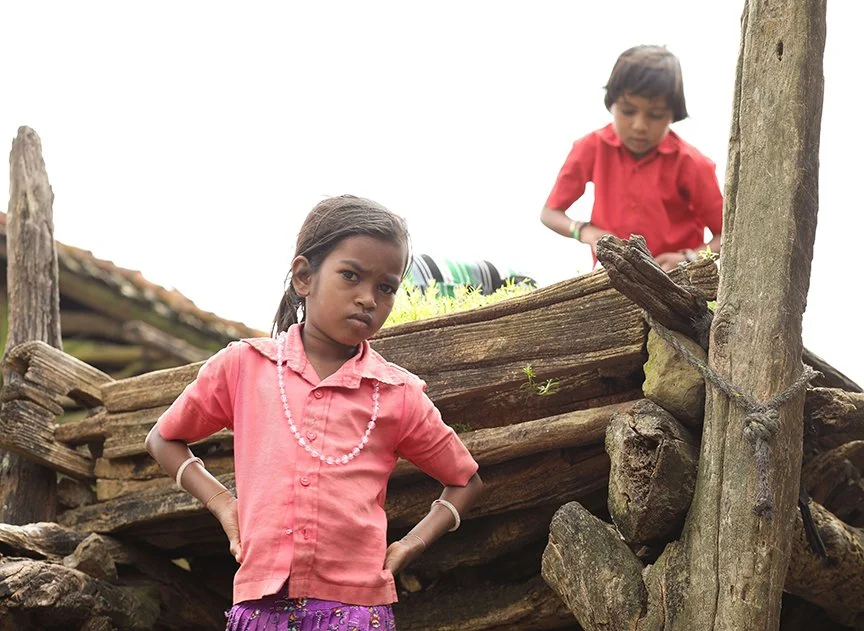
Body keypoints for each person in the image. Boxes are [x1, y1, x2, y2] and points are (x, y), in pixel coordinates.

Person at [145, 195, 483, 630]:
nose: (368, 298)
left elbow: (465, 481)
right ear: (304, 276)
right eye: (351, 276)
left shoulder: (396, 393)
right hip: (259, 608)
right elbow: (163, 438)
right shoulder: (243, 368)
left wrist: (411, 545)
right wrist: (224, 506)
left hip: (356, 614)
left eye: (386, 287)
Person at [540, 45, 723, 271]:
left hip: (675, 280)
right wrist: (584, 231)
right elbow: (550, 213)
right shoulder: (591, 148)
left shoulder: (692, 164)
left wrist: (688, 259)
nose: (639, 126)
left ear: (672, 115)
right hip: (612, 278)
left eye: (655, 115)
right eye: (628, 111)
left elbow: (726, 235)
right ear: (612, 105)